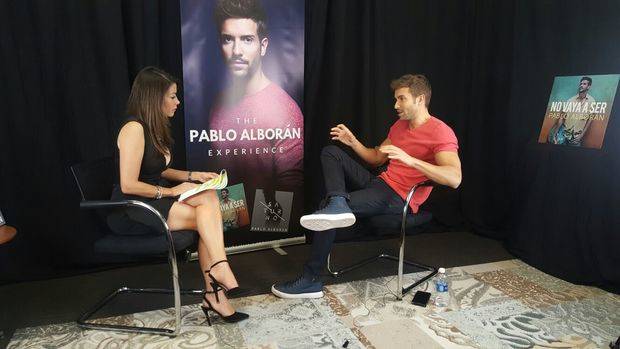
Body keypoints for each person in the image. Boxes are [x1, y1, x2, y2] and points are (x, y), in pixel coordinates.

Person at [271, 74, 462, 298]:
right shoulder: (399, 126)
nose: (396, 105)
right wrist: (353, 142)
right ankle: (338, 203)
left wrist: (411, 160)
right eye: (396, 99)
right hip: (380, 183)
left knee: (326, 206)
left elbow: (454, 178)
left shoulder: (440, 131)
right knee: (331, 152)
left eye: (402, 99)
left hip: (400, 198)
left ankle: (311, 280)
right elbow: (375, 159)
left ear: (420, 99)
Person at [110, 66, 248, 324]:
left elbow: (157, 169)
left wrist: (193, 175)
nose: (178, 101)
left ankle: (217, 277)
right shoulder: (133, 129)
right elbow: (128, 184)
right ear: (155, 97)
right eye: (172, 96)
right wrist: (172, 191)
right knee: (207, 218)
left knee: (209, 199)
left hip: (155, 197)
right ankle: (216, 285)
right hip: (132, 208)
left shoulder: (154, 127)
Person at [207, 0, 304, 193]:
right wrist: (228, 222)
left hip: (269, 221)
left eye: (247, 39)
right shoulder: (218, 103)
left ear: (263, 45)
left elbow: (289, 189)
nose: (236, 51)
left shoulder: (285, 110)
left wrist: (259, 224)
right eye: (228, 39)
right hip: (225, 219)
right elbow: (222, 177)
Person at [548, 76, 596, 146]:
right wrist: (556, 132)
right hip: (563, 135)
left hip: (576, 138)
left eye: (584, 84)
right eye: (581, 83)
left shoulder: (592, 101)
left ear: (588, 86)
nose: (581, 85)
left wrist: (581, 135)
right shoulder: (570, 100)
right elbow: (562, 117)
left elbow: (590, 120)